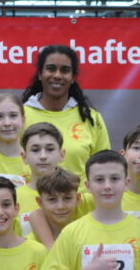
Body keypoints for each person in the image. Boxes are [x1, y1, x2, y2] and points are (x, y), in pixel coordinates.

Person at [20, 45, 110, 182]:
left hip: (80, 196)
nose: (57, 75)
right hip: (29, 196)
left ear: (73, 77)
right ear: (39, 74)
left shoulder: (91, 118)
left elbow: (104, 168)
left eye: (65, 70)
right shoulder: (19, 116)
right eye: (51, 69)